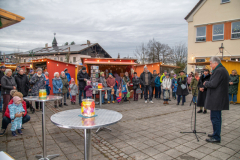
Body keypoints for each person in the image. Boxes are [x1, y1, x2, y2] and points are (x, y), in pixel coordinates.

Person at [204, 56, 229, 143]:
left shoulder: (219, 71)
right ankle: (215, 133)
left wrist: (206, 83)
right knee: (216, 117)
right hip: (218, 98)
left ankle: (216, 137)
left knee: (215, 118)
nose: (210, 65)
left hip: (217, 99)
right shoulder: (221, 70)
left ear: (215, 63)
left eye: (210, 63)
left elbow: (214, 84)